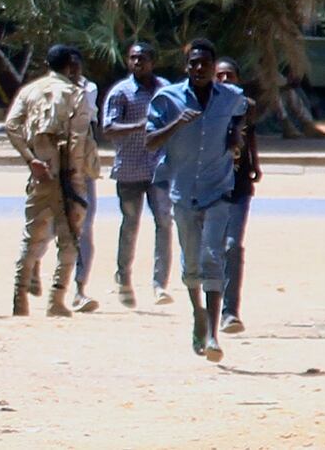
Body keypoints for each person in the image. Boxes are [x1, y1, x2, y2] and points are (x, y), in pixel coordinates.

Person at [146, 39, 248, 362]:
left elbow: (249, 107)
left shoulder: (229, 96)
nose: (199, 68)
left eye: (205, 63)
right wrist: (177, 123)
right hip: (183, 191)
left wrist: (235, 133)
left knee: (212, 258)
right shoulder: (168, 99)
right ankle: (198, 315)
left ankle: (213, 334)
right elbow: (150, 142)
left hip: (218, 191)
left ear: (214, 66)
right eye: (194, 63)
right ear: (186, 67)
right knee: (191, 264)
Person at [5, 44, 92, 317]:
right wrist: (75, 175)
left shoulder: (29, 91)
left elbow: (11, 125)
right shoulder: (76, 95)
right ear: (70, 65)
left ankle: (19, 298)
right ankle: (56, 299)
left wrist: (31, 160)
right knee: (69, 239)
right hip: (68, 175)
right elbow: (78, 139)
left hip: (40, 173)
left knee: (32, 237)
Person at [102, 42, 174, 308]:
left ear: (152, 61)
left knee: (164, 223)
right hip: (130, 169)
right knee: (130, 224)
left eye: (142, 58)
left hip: (160, 169)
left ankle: (159, 285)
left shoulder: (165, 90)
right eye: (133, 58)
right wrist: (139, 126)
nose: (137, 63)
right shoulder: (121, 93)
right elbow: (109, 129)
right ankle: (123, 278)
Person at [29, 59, 102, 313]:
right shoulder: (41, 93)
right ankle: (35, 266)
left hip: (80, 170)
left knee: (83, 228)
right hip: (54, 169)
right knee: (48, 223)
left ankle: (78, 290)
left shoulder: (86, 91)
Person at [215, 57, 261, 334]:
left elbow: (251, 135)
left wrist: (255, 163)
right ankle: (208, 309)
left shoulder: (246, 107)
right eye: (219, 75)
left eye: (229, 75)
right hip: (210, 187)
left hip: (239, 187)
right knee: (211, 250)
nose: (224, 80)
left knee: (232, 245)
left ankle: (230, 312)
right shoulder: (206, 106)